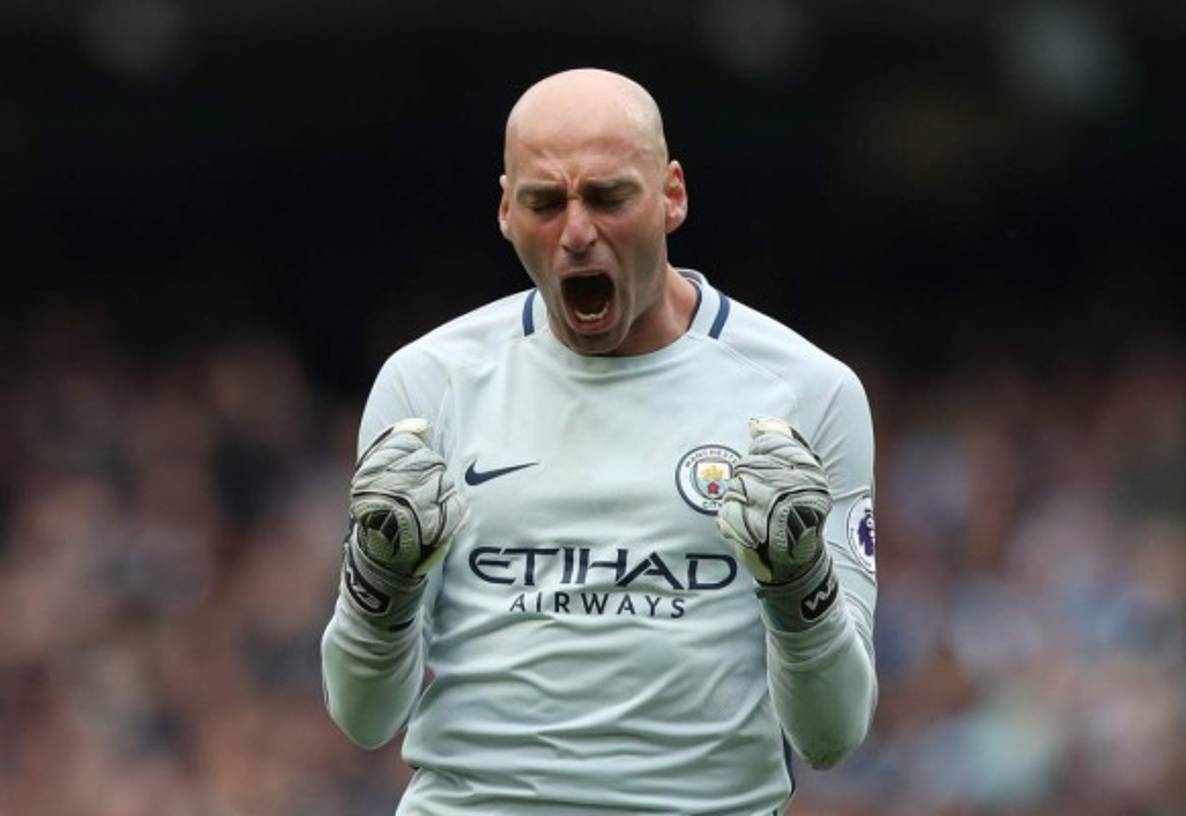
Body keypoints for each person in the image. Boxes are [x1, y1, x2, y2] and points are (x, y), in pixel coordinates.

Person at [321, 67, 879, 815]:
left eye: (609, 197)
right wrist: (381, 582)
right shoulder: (430, 385)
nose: (577, 233)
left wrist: (798, 583)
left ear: (672, 195)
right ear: (505, 210)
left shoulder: (807, 393)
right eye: (545, 203)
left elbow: (833, 736)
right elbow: (363, 719)